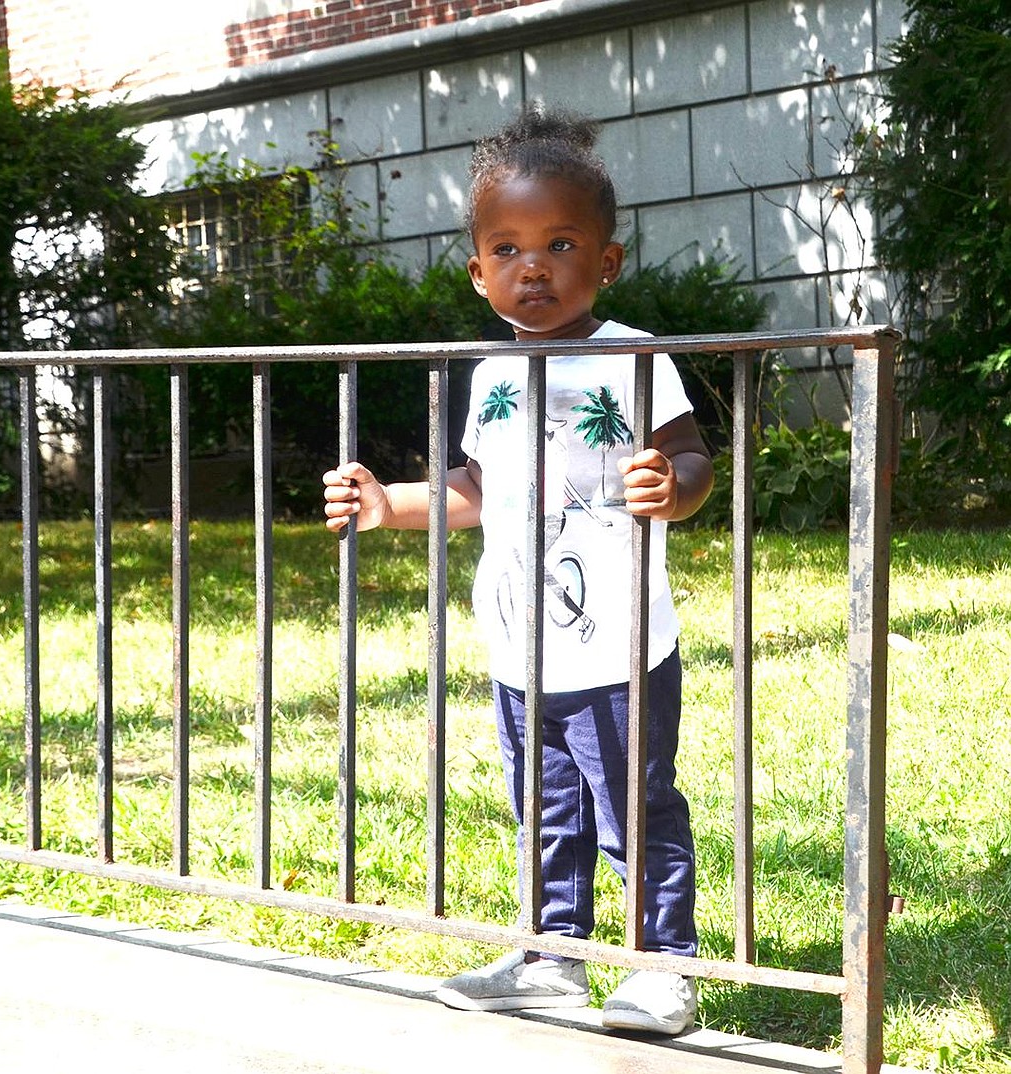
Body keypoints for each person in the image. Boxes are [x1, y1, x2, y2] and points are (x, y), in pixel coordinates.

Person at [322, 103, 714, 1035]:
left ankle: (663, 966)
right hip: (520, 650)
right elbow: (474, 489)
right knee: (545, 812)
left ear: (606, 263)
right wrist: (387, 506)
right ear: (477, 272)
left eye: (560, 242)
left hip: (619, 650)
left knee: (635, 806)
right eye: (506, 248)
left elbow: (691, 458)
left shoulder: (630, 357)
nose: (532, 265)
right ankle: (553, 957)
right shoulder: (493, 371)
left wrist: (675, 485)